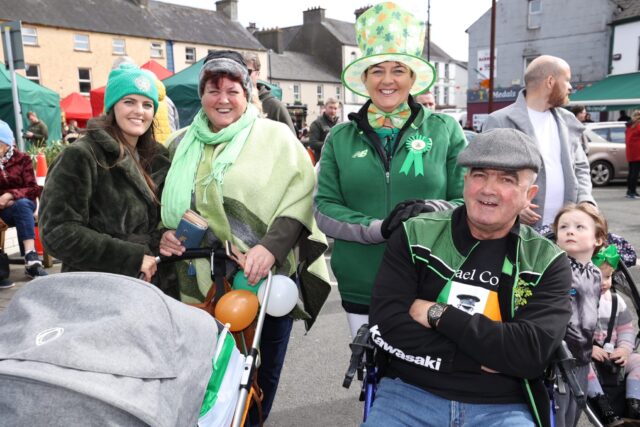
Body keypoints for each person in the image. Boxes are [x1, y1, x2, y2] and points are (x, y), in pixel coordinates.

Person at [157, 50, 330, 425]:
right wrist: (165, 234)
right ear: (201, 95)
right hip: (194, 280)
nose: (222, 99)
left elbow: (301, 194)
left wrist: (270, 248)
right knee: (202, 374)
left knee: (257, 371)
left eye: (232, 90)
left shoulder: (277, 137)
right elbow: (160, 204)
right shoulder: (180, 143)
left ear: (247, 92)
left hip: (263, 278)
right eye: (213, 90)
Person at [366, 128, 572, 427]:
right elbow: (387, 323)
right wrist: (478, 358)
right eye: (479, 175)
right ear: (465, 181)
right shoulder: (415, 234)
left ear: (529, 195)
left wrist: (438, 314)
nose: (489, 189)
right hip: (409, 391)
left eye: (507, 179)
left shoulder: (547, 260)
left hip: (504, 405)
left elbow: (530, 353)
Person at [314, 2, 467, 339]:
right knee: (369, 379)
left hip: (431, 280)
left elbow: (467, 201)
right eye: (377, 70)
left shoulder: (445, 130)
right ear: (364, 79)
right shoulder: (339, 137)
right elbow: (324, 209)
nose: (387, 80)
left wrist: (431, 211)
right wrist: (378, 229)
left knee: (422, 378)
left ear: (412, 78)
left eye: (398, 70)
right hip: (360, 281)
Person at [39, 63, 170, 283]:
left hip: (153, 286)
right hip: (97, 286)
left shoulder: (158, 159)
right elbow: (57, 232)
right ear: (112, 106)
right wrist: (131, 257)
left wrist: (166, 236)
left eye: (147, 104)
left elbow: (159, 220)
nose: (139, 111)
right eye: (129, 102)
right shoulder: (81, 155)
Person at [484, 55, 595, 229]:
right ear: (550, 81)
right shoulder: (500, 120)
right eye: (567, 80)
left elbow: (580, 166)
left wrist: (586, 200)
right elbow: (488, 175)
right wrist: (513, 205)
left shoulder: (568, 120)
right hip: (518, 231)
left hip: (565, 230)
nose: (570, 87)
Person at [552, 202, 607, 427]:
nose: (570, 231)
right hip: (558, 358)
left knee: (575, 412)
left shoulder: (595, 273)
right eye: (563, 227)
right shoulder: (557, 268)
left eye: (579, 227)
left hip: (583, 357)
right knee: (558, 415)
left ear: (598, 239)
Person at [586, 244, 639, 424]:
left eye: (608, 276)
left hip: (615, 354)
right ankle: (603, 406)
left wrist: (624, 350)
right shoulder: (577, 301)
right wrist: (589, 348)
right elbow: (571, 331)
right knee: (580, 366)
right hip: (589, 355)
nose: (604, 282)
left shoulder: (617, 302)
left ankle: (634, 404)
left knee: (638, 362)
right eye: (597, 277)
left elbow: (626, 330)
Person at [0, 120, 47, 278]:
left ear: (7, 143)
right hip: (3, 210)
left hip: (23, 205)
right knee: (20, 205)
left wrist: (10, 195)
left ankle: (31, 257)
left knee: (21, 205)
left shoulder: (23, 159)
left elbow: (32, 188)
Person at [243, 53, 296, 135]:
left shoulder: (275, 106)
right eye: (240, 71)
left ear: (257, 74)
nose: (243, 76)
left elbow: (292, 143)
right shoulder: (233, 104)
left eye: (247, 71)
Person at [625, 110, 640, 199]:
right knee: (635, 173)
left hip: (630, 153)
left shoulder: (629, 126)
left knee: (631, 172)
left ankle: (630, 191)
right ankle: (632, 192)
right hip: (638, 152)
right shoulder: (638, 125)